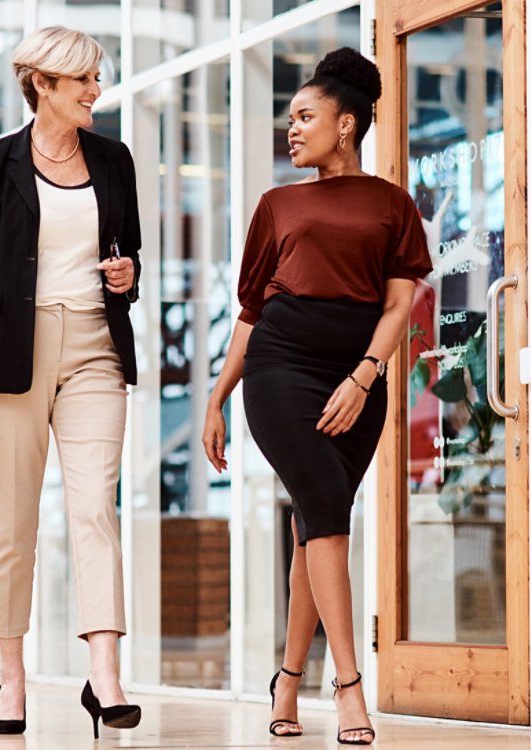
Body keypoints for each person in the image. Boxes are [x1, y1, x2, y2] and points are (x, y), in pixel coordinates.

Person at [202, 48, 432, 746]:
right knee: (328, 516)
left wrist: (364, 376)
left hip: (358, 376)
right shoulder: (277, 205)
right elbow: (248, 313)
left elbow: (400, 307)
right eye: (290, 119)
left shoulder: (393, 204)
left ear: (348, 123)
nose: (292, 130)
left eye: (305, 116)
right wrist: (216, 398)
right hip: (281, 367)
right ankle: (351, 688)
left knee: (315, 522)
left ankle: (287, 684)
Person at [0, 26, 142, 739]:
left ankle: (104, 672)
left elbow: (128, 253)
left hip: (94, 348)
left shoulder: (114, 161)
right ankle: (12, 678)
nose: (95, 90)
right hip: (7, 355)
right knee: (14, 523)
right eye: (82, 80)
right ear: (43, 86)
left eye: (96, 77)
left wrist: (128, 274)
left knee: (94, 510)